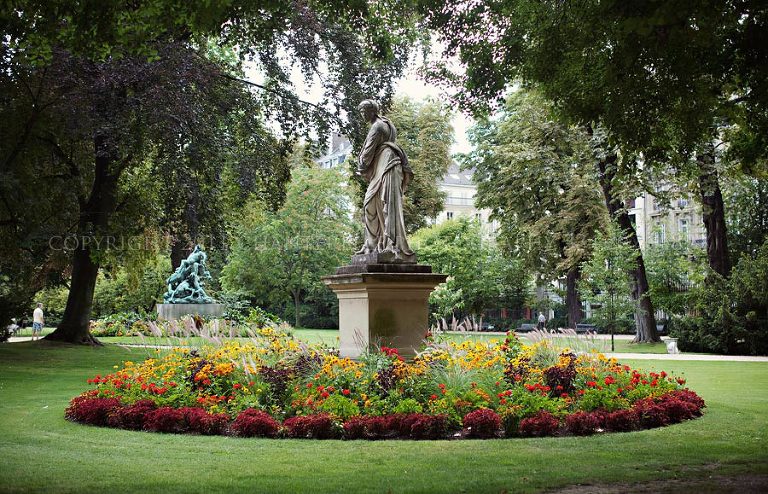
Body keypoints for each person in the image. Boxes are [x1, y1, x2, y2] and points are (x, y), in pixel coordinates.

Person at [354, 99, 415, 260]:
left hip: (387, 166)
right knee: (377, 203)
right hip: (388, 165)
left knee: (379, 204)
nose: (362, 115)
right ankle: (375, 243)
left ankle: (386, 244)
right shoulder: (386, 123)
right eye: (360, 112)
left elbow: (367, 154)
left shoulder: (377, 127)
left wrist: (360, 167)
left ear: (372, 111)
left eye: (364, 112)